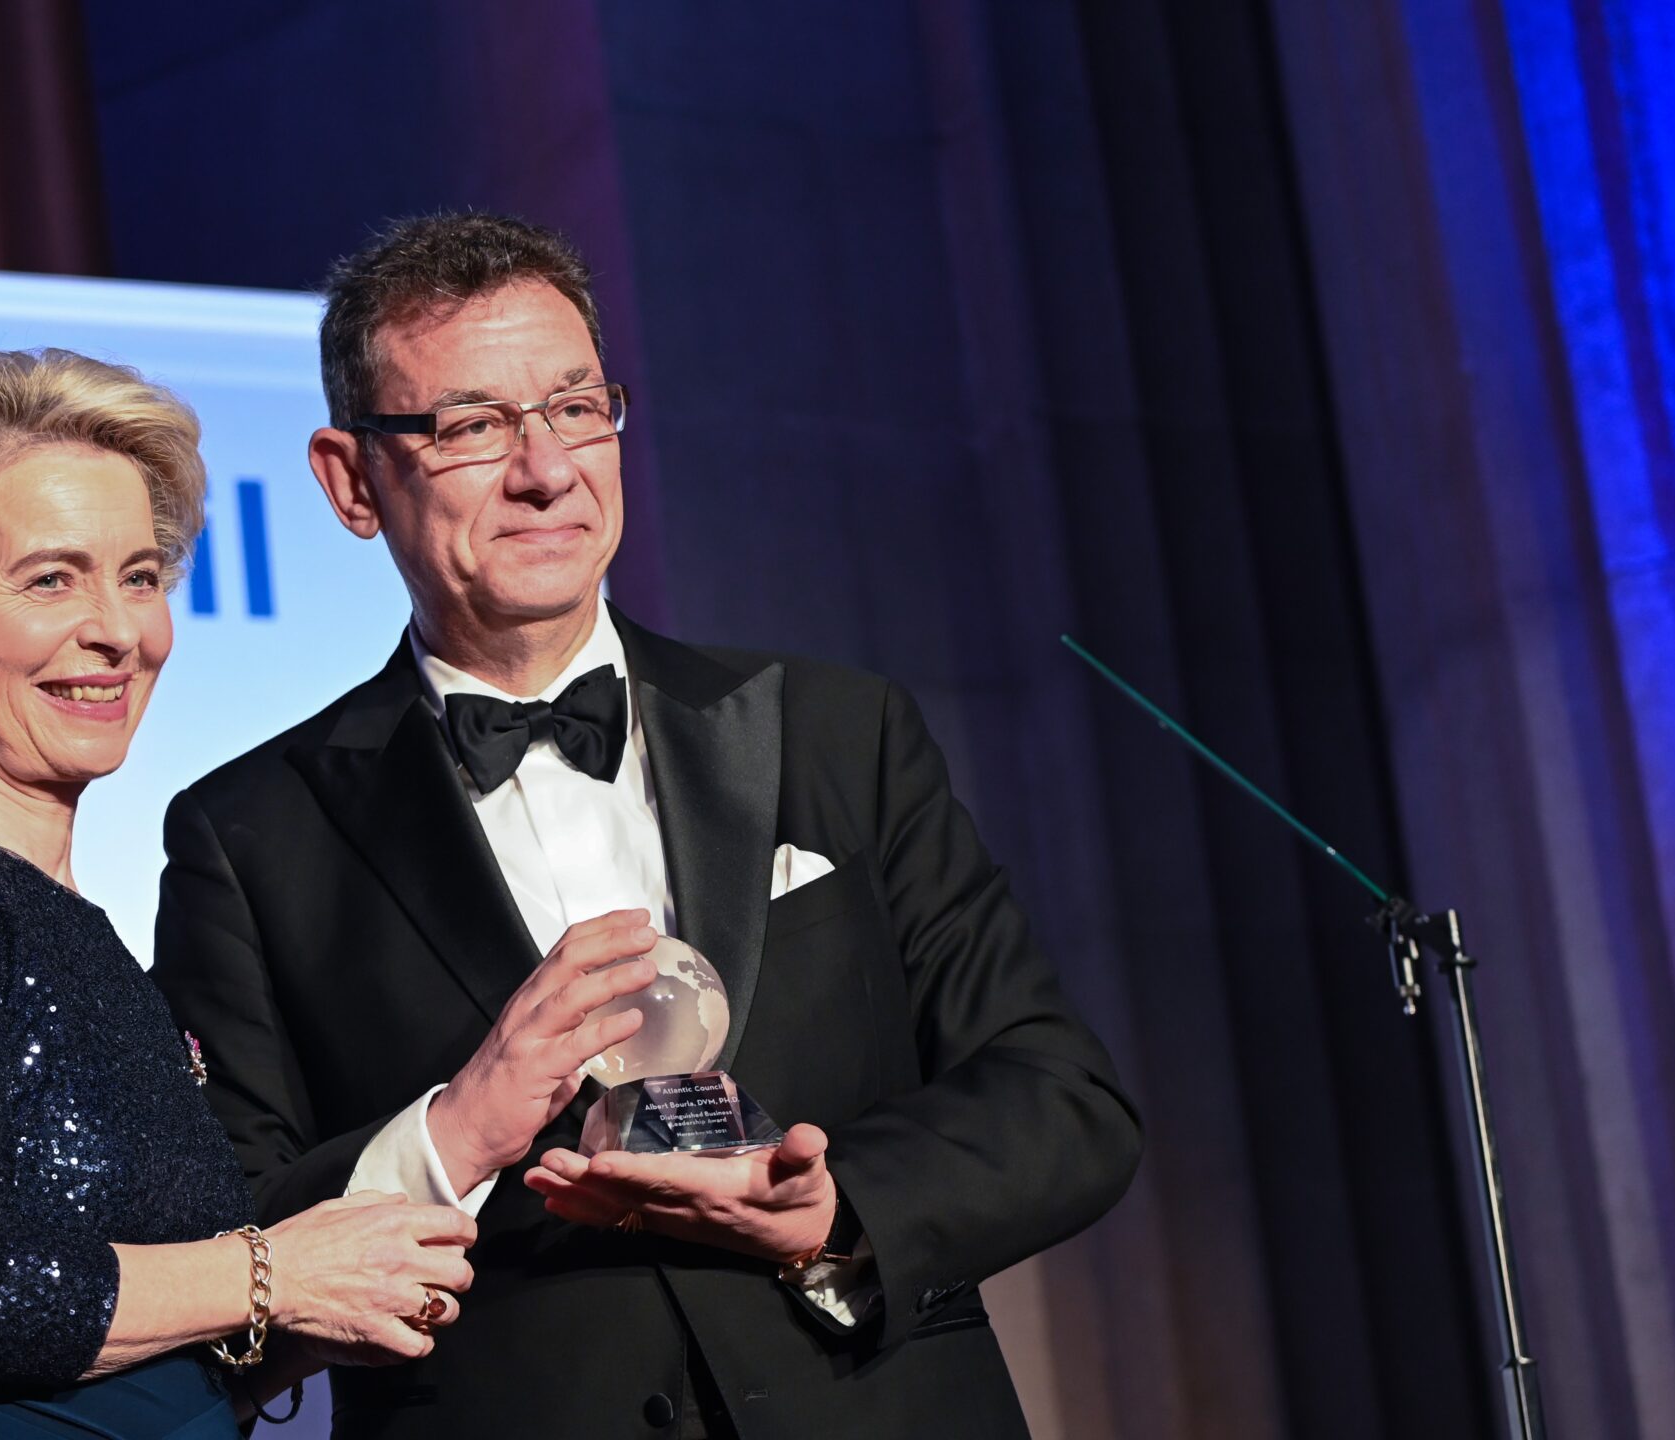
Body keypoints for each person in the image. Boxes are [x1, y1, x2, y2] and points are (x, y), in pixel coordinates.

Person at [155, 214, 1143, 1437]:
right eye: (471, 426)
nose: (545, 469)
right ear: (352, 482)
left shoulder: (839, 731)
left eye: (575, 408)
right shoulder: (250, 834)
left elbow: (1061, 1100)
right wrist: (455, 1129)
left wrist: (837, 1212)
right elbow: (234, 1244)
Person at [0, 349, 478, 1439]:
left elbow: (139, 1341)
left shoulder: (73, 924)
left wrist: (318, 1301)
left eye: (139, 576)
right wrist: (272, 1271)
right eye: (52, 579)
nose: (119, 631)